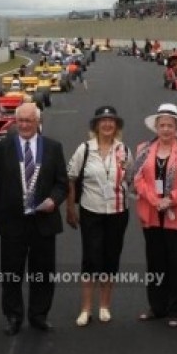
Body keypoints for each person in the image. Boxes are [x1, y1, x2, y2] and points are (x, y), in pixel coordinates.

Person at [0, 102, 67, 335]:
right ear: (15, 122)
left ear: (38, 122)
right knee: (11, 272)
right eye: (20, 121)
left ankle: (39, 315)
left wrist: (53, 201)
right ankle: (13, 316)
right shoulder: (2, 148)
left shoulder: (53, 147)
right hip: (12, 223)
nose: (24, 125)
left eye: (29, 121)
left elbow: (62, 183)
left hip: (43, 223)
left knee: (43, 272)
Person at [65, 106, 133, 326]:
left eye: (111, 121)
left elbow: (130, 178)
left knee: (110, 258)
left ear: (116, 126)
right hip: (91, 211)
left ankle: (104, 305)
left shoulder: (124, 150)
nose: (107, 125)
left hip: (117, 211)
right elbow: (71, 178)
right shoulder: (84, 150)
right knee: (91, 258)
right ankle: (86, 309)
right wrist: (70, 209)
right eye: (102, 121)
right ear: (95, 126)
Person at [133, 103, 177, 328]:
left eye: (170, 125)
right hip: (151, 213)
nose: (166, 129)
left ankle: (176, 310)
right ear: (156, 127)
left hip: (176, 214)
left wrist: (171, 199)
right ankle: (157, 306)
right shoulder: (143, 148)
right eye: (162, 125)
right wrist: (154, 200)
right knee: (155, 262)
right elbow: (137, 178)